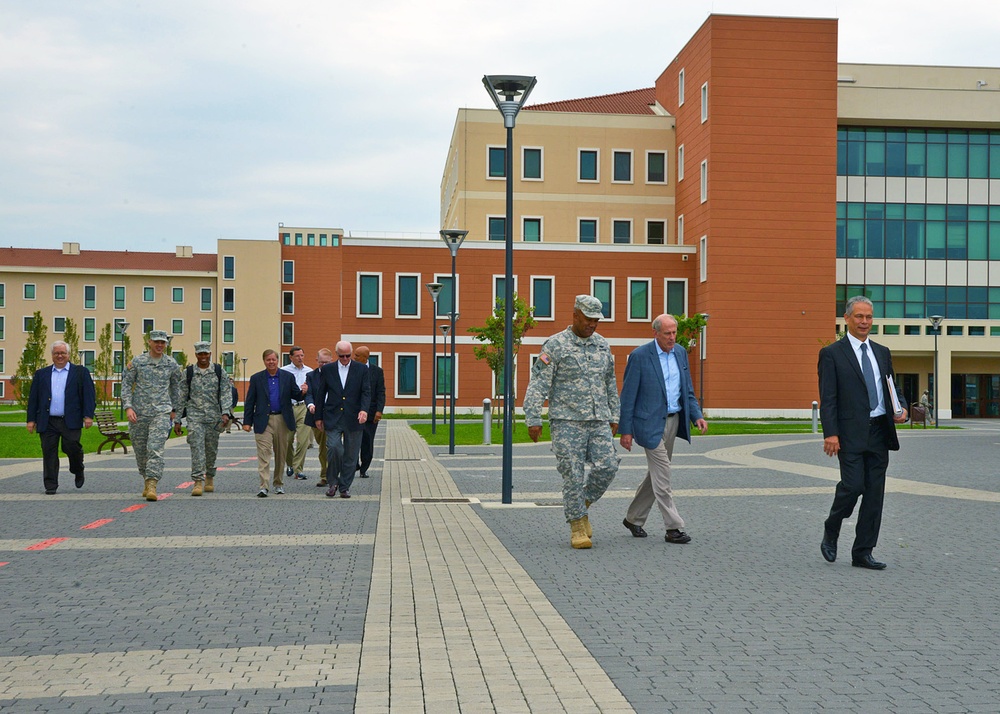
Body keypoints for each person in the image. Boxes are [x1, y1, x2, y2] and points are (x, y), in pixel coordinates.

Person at [524, 295, 620, 549]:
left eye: (596, 321)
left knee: (608, 466)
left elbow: (610, 383)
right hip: (567, 421)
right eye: (588, 319)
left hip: (598, 418)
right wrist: (533, 417)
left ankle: (582, 503)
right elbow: (538, 383)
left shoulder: (602, 346)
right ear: (575, 314)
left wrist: (615, 414)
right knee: (573, 475)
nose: (592, 325)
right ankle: (577, 525)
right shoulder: (556, 345)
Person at [819, 295, 907, 571]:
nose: (864, 322)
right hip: (850, 434)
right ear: (846, 319)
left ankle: (863, 551)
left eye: (868, 317)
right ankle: (832, 525)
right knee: (853, 486)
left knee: (874, 495)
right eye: (859, 316)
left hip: (880, 431)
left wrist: (901, 408)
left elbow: (893, 387)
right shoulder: (832, 354)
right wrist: (831, 433)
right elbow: (828, 398)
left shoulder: (882, 352)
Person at [618, 315, 708, 544]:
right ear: (655, 333)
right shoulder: (639, 356)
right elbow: (628, 397)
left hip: (672, 421)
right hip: (648, 424)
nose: (672, 337)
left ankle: (633, 518)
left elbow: (687, 389)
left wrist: (696, 415)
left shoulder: (680, 353)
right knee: (664, 475)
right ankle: (673, 527)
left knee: (657, 474)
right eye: (667, 333)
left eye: (674, 332)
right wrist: (625, 431)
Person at [26, 341, 97, 495]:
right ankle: (50, 485)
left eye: (63, 353)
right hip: (48, 420)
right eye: (56, 353)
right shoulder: (41, 374)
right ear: (52, 355)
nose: (60, 356)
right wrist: (31, 420)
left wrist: (88, 416)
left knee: (71, 446)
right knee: (49, 452)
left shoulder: (80, 372)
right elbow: (34, 398)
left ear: (68, 355)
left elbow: (89, 396)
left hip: (70, 419)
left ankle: (77, 468)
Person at [121, 330, 183, 502]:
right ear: (149, 342)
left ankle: (152, 484)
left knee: (154, 447)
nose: (160, 345)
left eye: (163, 342)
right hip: (139, 413)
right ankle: (145, 478)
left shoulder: (171, 364)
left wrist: (174, 409)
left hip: (161, 412)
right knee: (141, 451)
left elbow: (176, 388)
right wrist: (128, 407)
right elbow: (126, 385)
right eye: (156, 342)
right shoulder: (138, 362)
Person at [243, 349, 305, 497]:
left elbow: (295, 395)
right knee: (264, 454)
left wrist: (304, 391)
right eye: (268, 360)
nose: (271, 362)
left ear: (278, 361)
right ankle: (264, 486)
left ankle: (278, 483)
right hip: (263, 420)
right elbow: (250, 401)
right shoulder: (257, 378)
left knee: (281, 454)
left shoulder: (287, 377)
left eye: (273, 359)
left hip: (282, 419)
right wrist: (247, 422)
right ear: (264, 361)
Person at [173, 342, 232, 496]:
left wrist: (225, 412)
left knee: (211, 450)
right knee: (197, 448)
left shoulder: (219, 371)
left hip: (214, 418)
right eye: (200, 354)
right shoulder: (189, 372)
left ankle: (210, 476)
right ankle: (198, 481)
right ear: (196, 355)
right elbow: (182, 397)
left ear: (210, 354)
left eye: (206, 353)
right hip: (195, 417)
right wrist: (178, 419)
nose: (203, 357)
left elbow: (225, 393)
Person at [314, 340, 371, 499]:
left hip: (354, 417)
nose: (345, 359)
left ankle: (344, 487)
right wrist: (318, 416)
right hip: (333, 416)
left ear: (351, 354)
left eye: (347, 355)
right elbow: (321, 393)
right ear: (336, 354)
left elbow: (366, 392)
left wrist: (364, 410)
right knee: (334, 448)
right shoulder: (328, 369)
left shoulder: (361, 369)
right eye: (341, 356)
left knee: (351, 455)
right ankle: (333, 482)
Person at [281, 346, 313, 480]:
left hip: (303, 407)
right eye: (297, 356)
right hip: (289, 407)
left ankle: (298, 469)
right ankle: (290, 464)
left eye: (302, 355)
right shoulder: (283, 371)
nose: (300, 358)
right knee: (287, 440)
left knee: (303, 440)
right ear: (291, 357)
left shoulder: (309, 371)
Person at [353, 345, 385, 478]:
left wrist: (379, 410)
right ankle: (354, 464)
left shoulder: (377, 371)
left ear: (365, 357)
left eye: (357, 355)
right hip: (354, 411)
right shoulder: (351, 369)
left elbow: (380, 392)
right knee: (352, 439)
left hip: (371, 413)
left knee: (367, 440)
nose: (354, 357)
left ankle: (364, 468)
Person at [305, 348, 334, 488]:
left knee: (333, 446)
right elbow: (309, 393)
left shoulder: (337, 375)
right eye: (321, 362)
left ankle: (330, 475)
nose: (324, 365)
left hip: (334, 417)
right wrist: (311, 405)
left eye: (327, 362)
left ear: (332, 361)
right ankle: (325, 474)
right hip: (316, 416)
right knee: (323, 448)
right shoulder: (311, 376)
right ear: (317, 361)